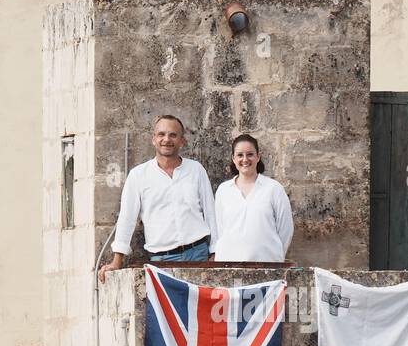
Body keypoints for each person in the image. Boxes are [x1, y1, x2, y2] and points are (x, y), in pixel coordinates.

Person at [99, 115, 217, 283]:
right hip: (161, 260)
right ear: (153, 139)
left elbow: (210, 213)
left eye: (173, 135)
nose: (166, 139)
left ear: (182, 141)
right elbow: (127, 219)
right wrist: (117, 261)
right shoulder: (138, 175)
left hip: (198, 254)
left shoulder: (196, 170)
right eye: (161, 134)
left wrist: (215, 252)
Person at [212, 134, 294, 263]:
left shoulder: (273, 188)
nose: (245, 159)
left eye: (250, 154)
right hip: (228, 265)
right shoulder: (223, 190)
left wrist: (273, 257)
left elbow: (285, 230)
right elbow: (219, 229)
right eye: (240, 155)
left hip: (266, 265)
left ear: (258, 157)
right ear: (233, 158)